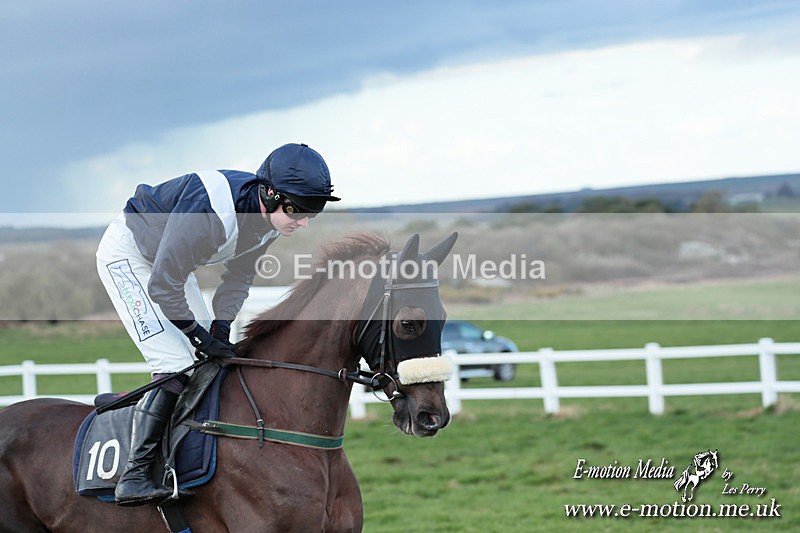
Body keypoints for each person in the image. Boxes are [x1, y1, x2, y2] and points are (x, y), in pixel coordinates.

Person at [96, 143, 339, 506]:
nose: (302, 222)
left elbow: (238, 278)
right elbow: (163, 285)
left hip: (169, 267)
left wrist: (220, 330)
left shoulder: (270, 221)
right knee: (175, 363)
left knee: (210, 361)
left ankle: (188, 451)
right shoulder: (209, 212)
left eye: (312, 213)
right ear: (269, 194)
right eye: (297, 210)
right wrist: (196, 334)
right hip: (129, 257)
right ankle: (135, 475)